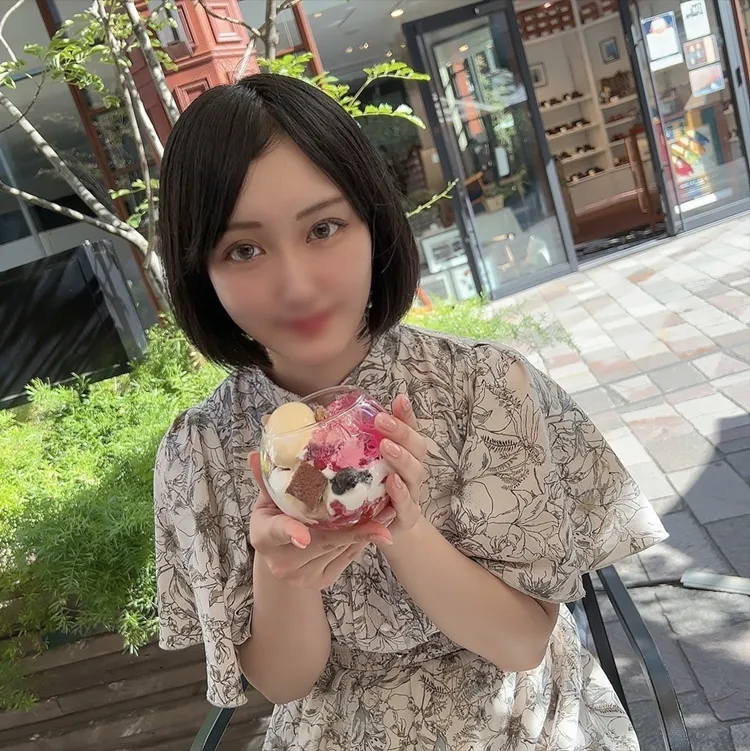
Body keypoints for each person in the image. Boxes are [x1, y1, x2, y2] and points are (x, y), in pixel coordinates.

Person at [154, 73, 667, 750]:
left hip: (521, 724)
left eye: (323, 228)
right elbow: (285, 682)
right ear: (201, 271)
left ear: (374, 223)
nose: (297, 285)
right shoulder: (203, 451)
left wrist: (403, 525)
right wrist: (282, 573)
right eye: (244, 249)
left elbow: (521, 642)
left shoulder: (482, 387)